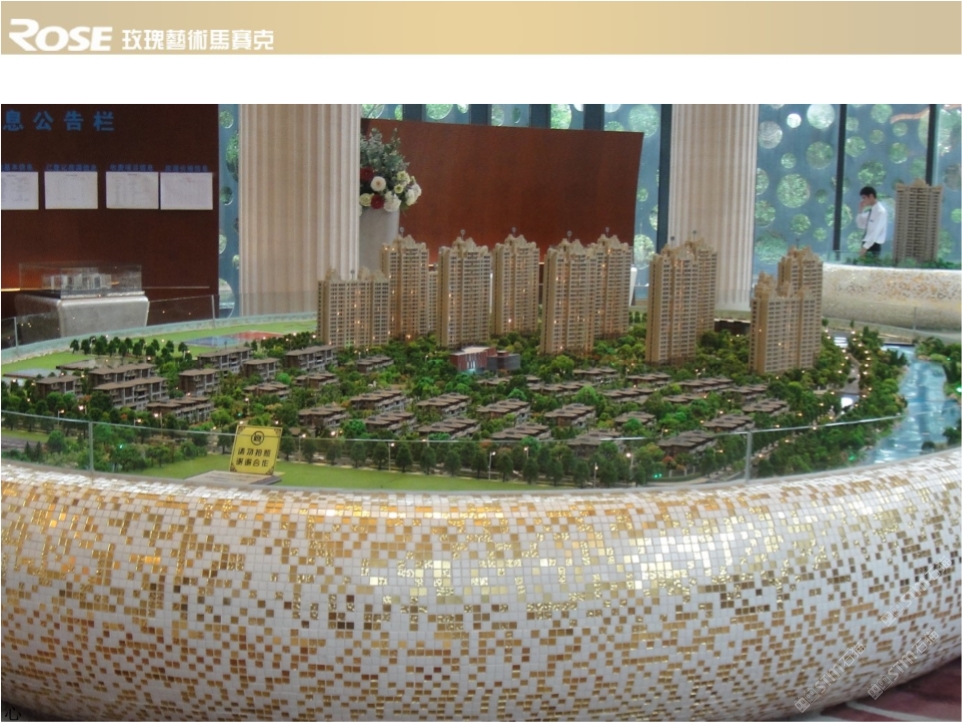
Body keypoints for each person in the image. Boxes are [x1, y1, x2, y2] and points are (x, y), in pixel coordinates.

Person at [856, 186, 887, 258]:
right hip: (866, 242)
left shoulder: (880, 211)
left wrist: (865, 247)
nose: (863, 200)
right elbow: (860, 225)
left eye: (864, 198)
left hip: (873, 245)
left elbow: (876, 231)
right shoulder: (871, 210)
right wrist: (860, 210)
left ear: (871, 196)